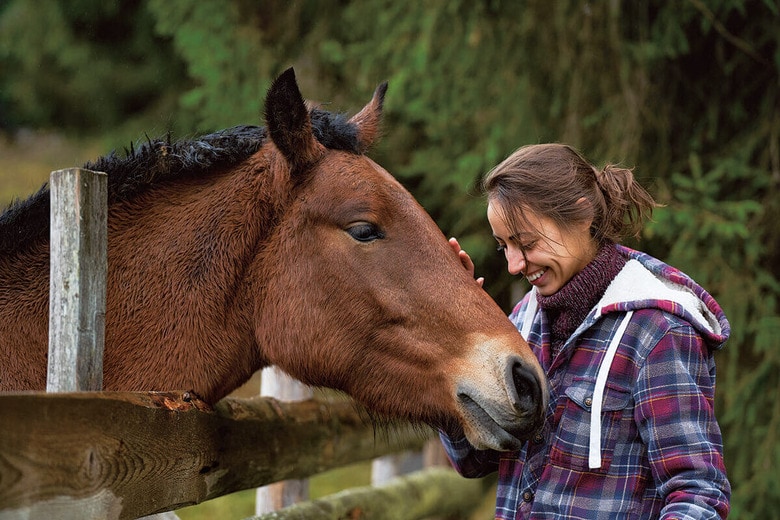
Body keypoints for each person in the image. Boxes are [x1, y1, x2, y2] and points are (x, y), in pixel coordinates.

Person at [441, 143, 730, 519]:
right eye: (503, 247)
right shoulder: (522, 323)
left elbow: (698, 494)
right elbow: (473, 459)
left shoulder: (656, 332)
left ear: (582, 215)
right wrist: (454, 334)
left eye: (526, 243)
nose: (513, 265)